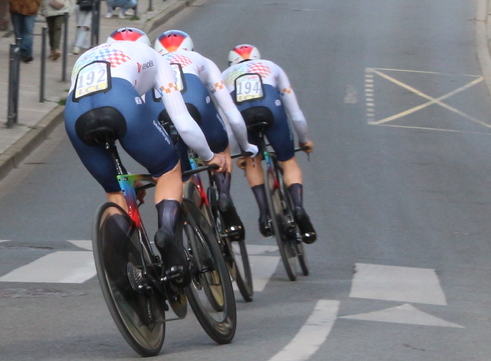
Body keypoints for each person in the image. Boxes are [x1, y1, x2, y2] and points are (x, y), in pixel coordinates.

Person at [64, 28, 225, 286]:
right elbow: (183, 124)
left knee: (115, 191)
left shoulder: (87, 56)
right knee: (168, 170)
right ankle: (167, 235)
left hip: (75, 115)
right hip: (121, 102)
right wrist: (208, 156)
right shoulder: (154, 57)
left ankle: (121, 276)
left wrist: (131, 180)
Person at [154, 29, 254, 238]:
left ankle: (186, 218)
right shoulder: (201, 60)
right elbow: (232, 114)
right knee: (222, 149)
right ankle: (224, 196)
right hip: (197, 105)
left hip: (164, 112)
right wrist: (246, 146)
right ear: (190, 48)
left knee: (176, 173)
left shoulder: (154, 64)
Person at [224, 44, 316, 243]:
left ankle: (264, 214)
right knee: (288, 161)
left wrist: (238, 153)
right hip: (271, 111)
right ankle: (299, 208)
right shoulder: (271, 66)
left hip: (243, 117)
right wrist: (304, 140)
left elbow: (229, 125)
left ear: (232, 62)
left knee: (253, 160)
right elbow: (296, 113)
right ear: (257, 57)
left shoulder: (224, 75)